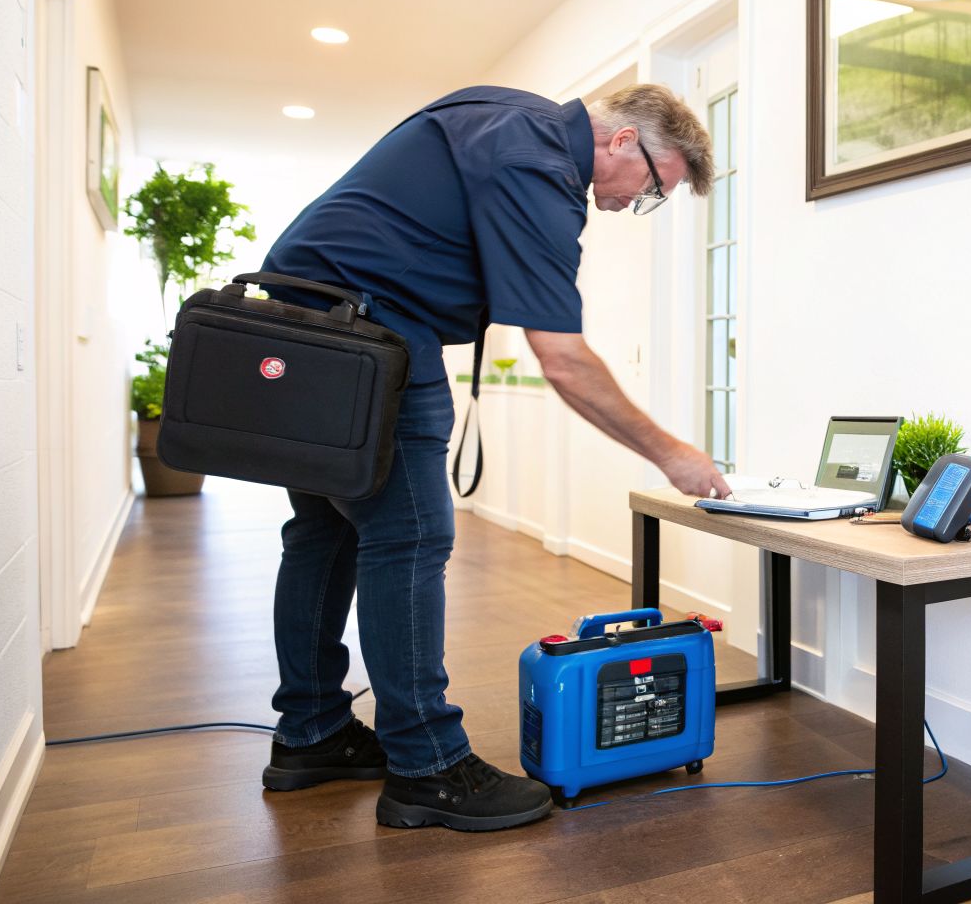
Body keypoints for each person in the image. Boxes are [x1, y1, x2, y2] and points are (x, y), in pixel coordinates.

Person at [252, 84, 732, 831]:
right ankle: (428, 767)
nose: (638, 203)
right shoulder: (537, 162)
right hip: (368, 338)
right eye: (655, 188)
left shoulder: (504, 118)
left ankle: (310, 732)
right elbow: (564, 360)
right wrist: (675, 456)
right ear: (621, 144)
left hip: (304, 328)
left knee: (324, 533)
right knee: (408, 541)